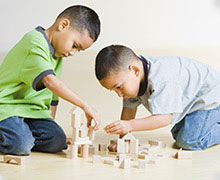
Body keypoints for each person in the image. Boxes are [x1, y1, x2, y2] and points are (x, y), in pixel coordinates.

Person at [0, 5, 101, 155]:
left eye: (78, 50)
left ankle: (20, 134)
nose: (73, 53)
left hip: (32, 112)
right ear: (63, 25)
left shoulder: (58, 55)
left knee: (57, 141)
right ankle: (18, 137)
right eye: (74, 45)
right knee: (21, 144)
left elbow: (52, 98)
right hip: (6, 108)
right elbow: (50, 82)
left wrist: (50, 125)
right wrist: (84, 105)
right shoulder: (34, 42)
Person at [95, 44, 220, 151]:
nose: (119, 94)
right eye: (114, 90)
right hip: (192, 100)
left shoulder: (161, 80)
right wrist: (124, 140)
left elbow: (165, 118)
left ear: (134, 70)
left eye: (118, 87)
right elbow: (129, 110)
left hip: (211, 97)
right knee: (177, 133)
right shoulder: (132, 80)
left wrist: (130, 125)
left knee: (188, 140)